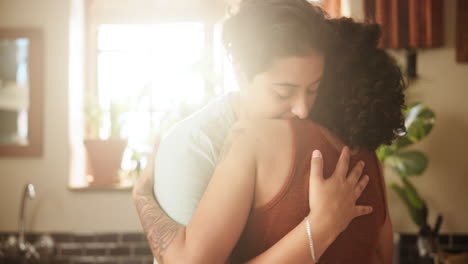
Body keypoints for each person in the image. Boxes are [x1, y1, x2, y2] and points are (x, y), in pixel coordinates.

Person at [132, 0, 396, 263]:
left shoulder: (268, 139)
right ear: (241, 74)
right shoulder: (194, 145)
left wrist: (141, 196)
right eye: (284, 92)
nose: (303, 109)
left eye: (313, 89)